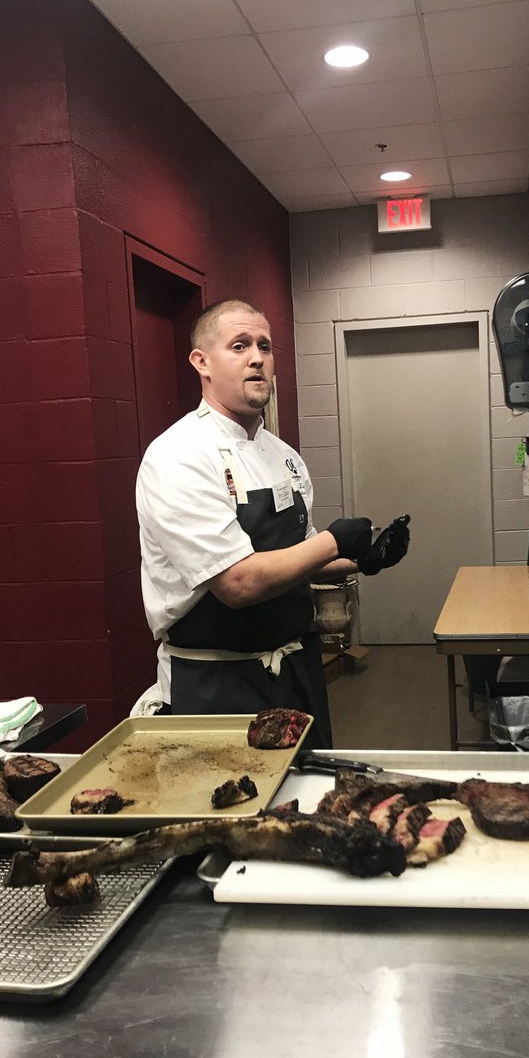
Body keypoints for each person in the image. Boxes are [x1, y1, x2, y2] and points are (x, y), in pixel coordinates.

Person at [135, 297, 410, 749]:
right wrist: (334, 540)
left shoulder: (283, 457)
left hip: (297, 673)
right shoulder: (179, 455)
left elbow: (296, 558)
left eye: (264, 345)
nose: (257, 358)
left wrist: (363, 560)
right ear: (201, 361)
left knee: (310, 803)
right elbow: (238, 583)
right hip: (218, 684)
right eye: (239, 346)